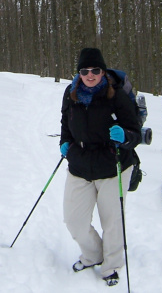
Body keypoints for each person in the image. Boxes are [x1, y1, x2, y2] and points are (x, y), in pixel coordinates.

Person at [59, 47, 141, 287]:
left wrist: (124, 135)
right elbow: (65, 121)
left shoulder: (115, 95)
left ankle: (112, 265)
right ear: (79, 73)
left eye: (95, 70)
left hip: (112, 165)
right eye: (85, 70)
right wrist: (64, 142)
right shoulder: (71, 93)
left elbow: (135, 132)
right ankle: (94, 254)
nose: (90, 75)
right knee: (73, 220)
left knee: (112, 221)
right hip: (80, 164)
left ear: (103, 71)